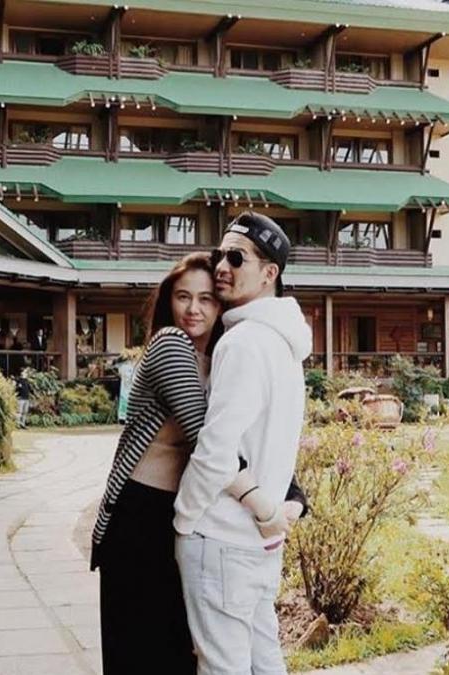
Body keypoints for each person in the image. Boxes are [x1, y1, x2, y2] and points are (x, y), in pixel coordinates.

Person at [90, 252, 306, 675]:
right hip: (142, 515)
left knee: (181, 652)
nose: (193, 309)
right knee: (140, 650)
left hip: (184, 512)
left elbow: (247, 437)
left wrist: (293, 493)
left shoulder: (228, 353)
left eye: (206, 299)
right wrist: (264, 505)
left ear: (221, 303)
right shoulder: (171, 345)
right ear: (168, 300)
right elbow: (208, 436)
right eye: (183, 296)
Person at [174, 211, 312, 675]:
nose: (221, 267)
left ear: (269, 273)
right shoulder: (284, 342)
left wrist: (185, 518)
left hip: (221, 537)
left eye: (237, 258)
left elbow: (215, 450)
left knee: (223, 666)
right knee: (263, 661)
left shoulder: (243, 342)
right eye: (220, 255)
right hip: (260, 542)